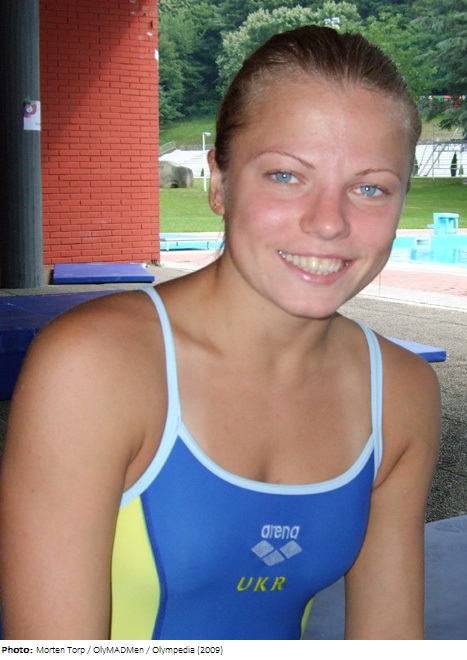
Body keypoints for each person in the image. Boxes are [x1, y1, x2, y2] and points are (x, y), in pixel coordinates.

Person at [0, 25, 440, 640]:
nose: (329, 222)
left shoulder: (400, 393)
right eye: (286, 175)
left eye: (370, 188)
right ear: (218, 181)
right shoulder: (97, 369)